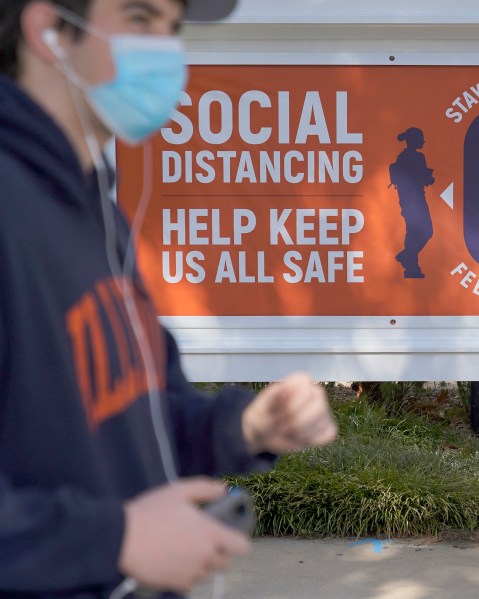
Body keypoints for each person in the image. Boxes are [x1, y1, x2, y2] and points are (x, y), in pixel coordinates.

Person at [0, 1, 338, 597]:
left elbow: (142, 418)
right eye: (139, 19)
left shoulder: (98, 211)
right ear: (49, 31)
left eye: (171, 28)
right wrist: (116, 539)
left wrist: (244, 426)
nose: (165, 50)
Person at [390, 126, 435, 278]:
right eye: (420, 138)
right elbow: (421, 177)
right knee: (426, 231)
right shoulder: (417, 157)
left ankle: (411, 264)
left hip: (406, 200)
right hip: (416, 200)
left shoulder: (402, 157)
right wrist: (429, 178)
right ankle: (408, 258)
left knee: (413, 232)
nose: (423, 141)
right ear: (414, 140)